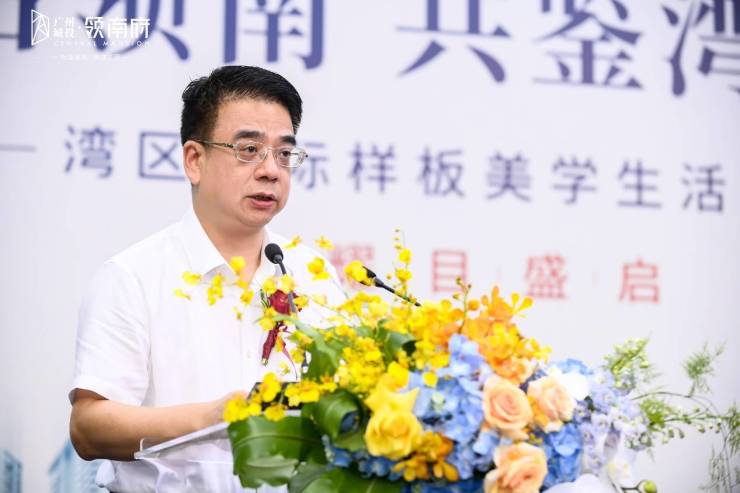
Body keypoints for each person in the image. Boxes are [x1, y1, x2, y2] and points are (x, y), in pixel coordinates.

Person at [69, 66, 345, 492]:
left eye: (284, 153)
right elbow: (89, 428)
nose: (271, 170)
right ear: (194, 160)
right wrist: (212, 418)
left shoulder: (313, 275)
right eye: (249, 150)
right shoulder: (134, 276)